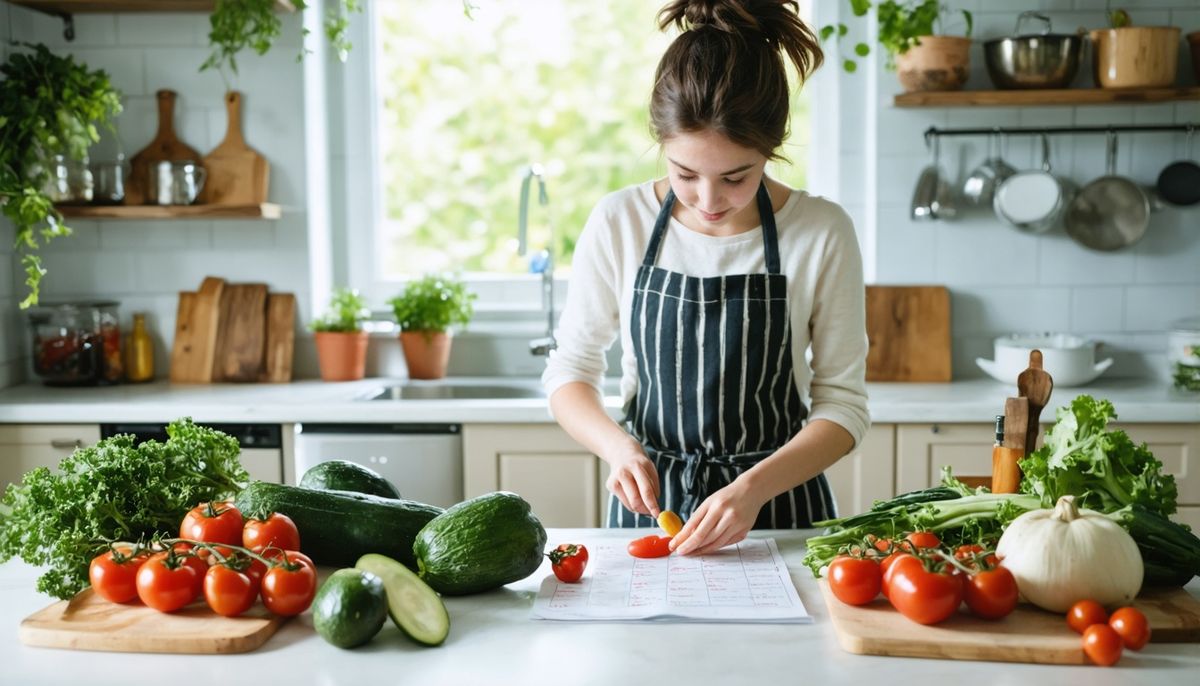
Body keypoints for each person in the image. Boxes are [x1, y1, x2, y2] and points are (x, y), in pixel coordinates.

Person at [541, 0, 869, 556]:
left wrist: (752, 488)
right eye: (685, 174)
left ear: (771, 149)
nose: (709, 200)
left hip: (779, 510)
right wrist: (619, 449)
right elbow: (570, 371)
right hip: (652, 513)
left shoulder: (820, 231)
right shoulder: (620, 221)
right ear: (662, 144)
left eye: (736, 177)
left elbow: (843, 405)